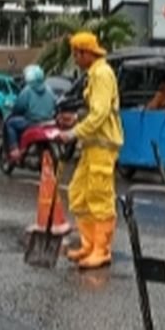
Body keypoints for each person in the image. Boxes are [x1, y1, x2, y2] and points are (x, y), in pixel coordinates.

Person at [59, 32, 122, 269]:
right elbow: (94, 111)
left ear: (87, 53)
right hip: (92, 145)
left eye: (77, 53)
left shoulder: (102, 74)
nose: (74, 58)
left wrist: (74, 132)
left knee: (99, 196)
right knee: (78, 193)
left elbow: (100, 114)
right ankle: (89, 244)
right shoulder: (93, 74)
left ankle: (101, 249)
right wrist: (75, 120)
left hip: (103, 146)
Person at [7, 64, 57, 160]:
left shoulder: (27, 91)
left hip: (32, 122)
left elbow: (18, 107)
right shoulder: (49, 89)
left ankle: (14, 149)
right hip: (49, 122)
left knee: (10, 123)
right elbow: (55, 104)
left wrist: (15, 111)